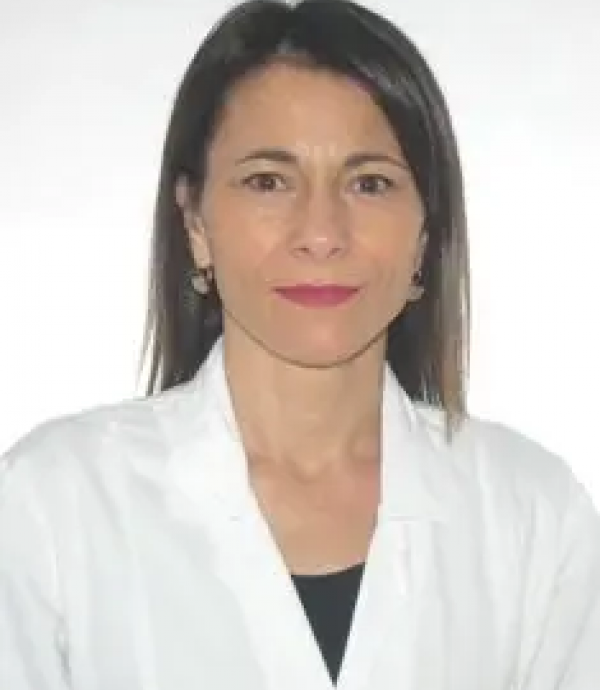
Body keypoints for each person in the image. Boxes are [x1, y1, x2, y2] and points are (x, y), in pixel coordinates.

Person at [1, 0, 599, 687]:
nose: (321, 233)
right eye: (268, 182)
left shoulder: (531, 516)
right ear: (195, 222)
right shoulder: (51, 507)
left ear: (425, 234)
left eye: (369, 183)